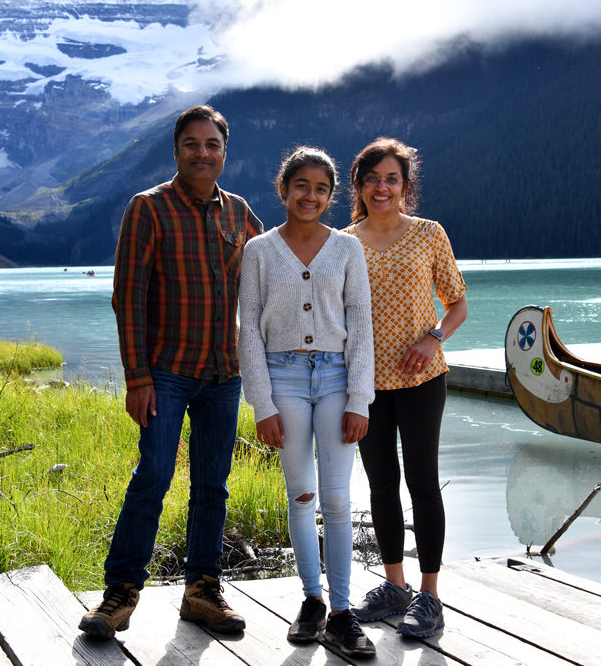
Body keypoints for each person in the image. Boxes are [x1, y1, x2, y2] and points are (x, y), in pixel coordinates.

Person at [78, 105, 263, 640]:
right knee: (154, 475)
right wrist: (137, 377)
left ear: (224, 152)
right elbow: (128, 297)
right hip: (165, 373)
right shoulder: (149, 208)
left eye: (212, 144)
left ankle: (202, 591)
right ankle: (120, 595)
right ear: (176, 151)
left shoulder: (239, 213)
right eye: (192, 144)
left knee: (213, 485)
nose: (202, 153)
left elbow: (273, 265)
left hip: (223, 374)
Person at [238, 146, 377, 658]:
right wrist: (262, 404)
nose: (310, 196)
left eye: (321, 189)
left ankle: (342, 613)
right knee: (301, 495)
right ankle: (312, 600)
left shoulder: (347, 250)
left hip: (338, 377)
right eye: (301, 186)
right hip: (284, 377)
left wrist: (360, 398)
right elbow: (248, 330)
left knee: (338, 499)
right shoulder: (259, 250)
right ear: (283, 189)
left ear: (330, 196)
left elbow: (361, 327)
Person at [343, 138, 468, 639]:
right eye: (373, 177)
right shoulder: (343, 241)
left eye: (391, 178)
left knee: (422, 481)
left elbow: (457, 304)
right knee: (379, 484)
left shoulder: (428, 234)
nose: (382, 186)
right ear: (359, 184)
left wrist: (433, 337)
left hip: (422, 380)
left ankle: (430, 594)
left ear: (405, 186)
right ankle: (394, 585)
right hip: (365, 385)